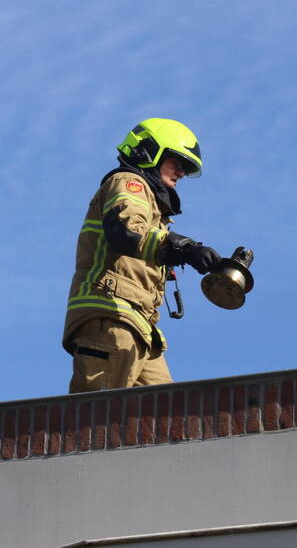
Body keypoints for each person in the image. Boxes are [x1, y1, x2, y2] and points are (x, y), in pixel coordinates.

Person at [63, 118, 222, 393]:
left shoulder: (153, 208)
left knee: (166, 418)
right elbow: (127, 230)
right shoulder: (129, 183)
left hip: (139, 327)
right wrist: (184, 248)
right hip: (111, 317)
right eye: (177, 162)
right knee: (95, 421)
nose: (181, 172)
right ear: (149, 152)